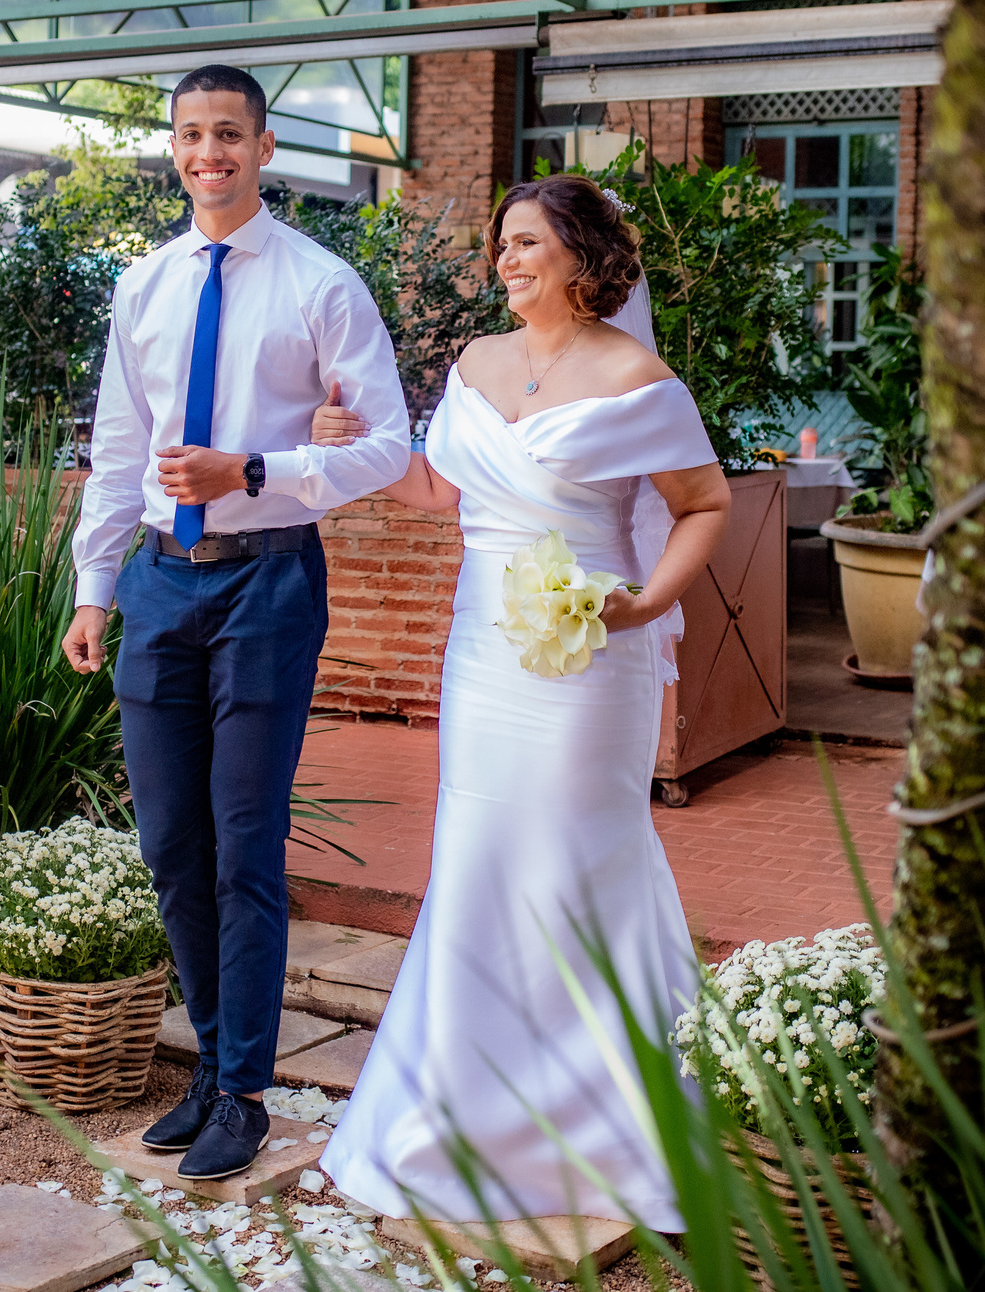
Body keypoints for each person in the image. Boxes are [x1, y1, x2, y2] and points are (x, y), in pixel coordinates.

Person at [314, 174, 730, 1229]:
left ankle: (616, 1128)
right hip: (483, 655)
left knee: (577, 861)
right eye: (501, 242)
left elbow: (705, 504)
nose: (505, 257)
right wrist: (354, 446)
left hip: (592, 658)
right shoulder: (475, 363)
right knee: (481, 858)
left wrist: (646, 605)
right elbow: (436, 492)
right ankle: (459, 1120)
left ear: (583, 257)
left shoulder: (638, 377)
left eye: (528, 242)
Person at [61, 64, 410, 1181]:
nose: (207, 153)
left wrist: (253, 468)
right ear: (174, 149)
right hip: (160, 582)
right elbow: (120, 448)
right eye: (190, 135)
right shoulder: (144, 284)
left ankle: (245, 1090)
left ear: (264, 148)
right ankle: (211, 1065)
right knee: (171, 842)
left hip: (268, 581)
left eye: (228, 134)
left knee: (244, 842)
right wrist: (94, 587)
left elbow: (387, 447)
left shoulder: (322, 284)